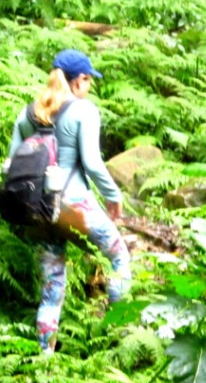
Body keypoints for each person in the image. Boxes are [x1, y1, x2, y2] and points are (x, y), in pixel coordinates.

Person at [9, 49, 132, 355]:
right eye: (88, 80)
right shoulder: (84, 111)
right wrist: (113, 196)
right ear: (78, 81)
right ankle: (121, 344)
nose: (89, 87)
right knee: (119, 259)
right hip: (74, 207)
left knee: (51, 291)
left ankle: (44, 361)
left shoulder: (28, 113)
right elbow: (91, 162)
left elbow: (11, 162)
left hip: (38, 213)